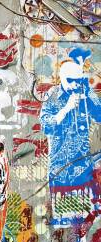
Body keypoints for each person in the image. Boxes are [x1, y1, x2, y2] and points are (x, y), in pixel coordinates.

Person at [40, 49, 101, 192]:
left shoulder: (85, 93)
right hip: (60, 166)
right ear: (62, 78)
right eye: (70, 81)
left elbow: (99, 116)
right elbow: (46, 125)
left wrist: (89, 94)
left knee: (84, 209)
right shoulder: (53, 94)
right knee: (60, 207)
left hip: (83, 166)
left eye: (77, 81)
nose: (74, 85)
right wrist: (66, 109)